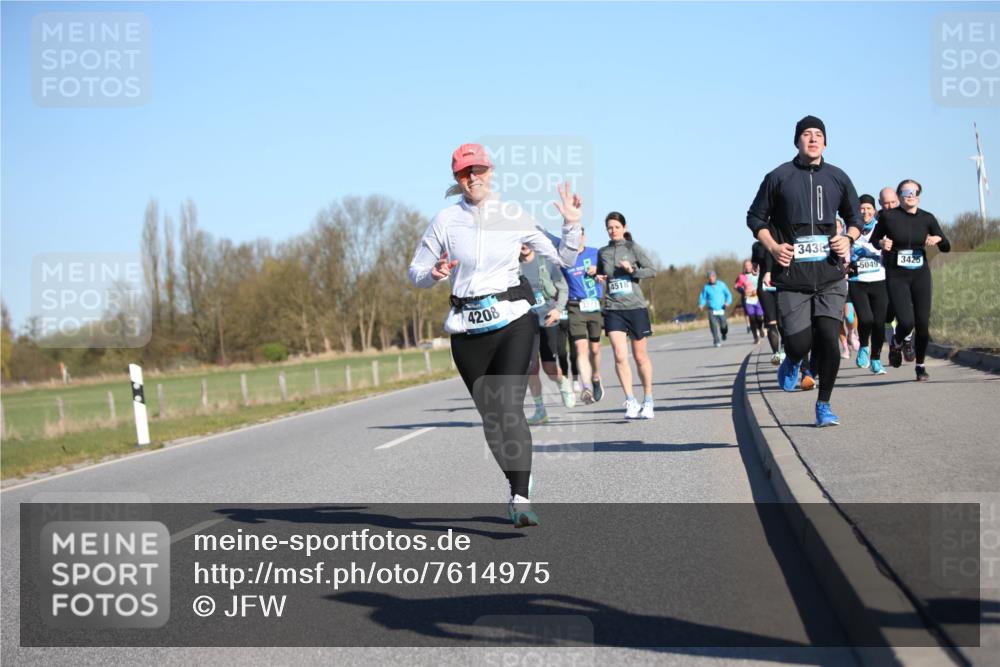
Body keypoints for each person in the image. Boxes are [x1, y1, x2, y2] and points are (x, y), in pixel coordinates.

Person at [408, 143, 582, 527]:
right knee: (491, 419)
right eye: (465, 172)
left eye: (479, 170)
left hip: (512, 320)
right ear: (457, 178)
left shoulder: (513, 215)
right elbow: (415, 273)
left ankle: (521, 498)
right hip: (467, 329)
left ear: (490, 171)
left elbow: (565, 258)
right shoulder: (445, 221)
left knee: (508, 407)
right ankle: (517, 478)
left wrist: (571, 225)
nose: (473, 178)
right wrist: (432, 274)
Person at [746, 115, 863, 427]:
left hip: (830, 275)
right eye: (807, 134)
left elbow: (855, 218)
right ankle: (793, 360)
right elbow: (754, 218)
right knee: (799, 343)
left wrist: (848, 239)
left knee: (829, 339)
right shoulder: (779, 177)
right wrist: (773, 247)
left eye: (818, 135)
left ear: (825, 142)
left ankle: (823, 405)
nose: (813, 139)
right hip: (792, 277)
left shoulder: (838, 177)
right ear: (797, 140)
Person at [870, 179, 951, 381]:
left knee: (922, 324)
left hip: (920, 274)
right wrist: (881, 243)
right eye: (906, 192)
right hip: (897, 275)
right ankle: (897, 342)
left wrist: (938, 239)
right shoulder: (888, 217)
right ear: (899, 197)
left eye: (915, 192)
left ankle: (920, 366)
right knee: (906, 321)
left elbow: (946, 246)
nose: (911, 195)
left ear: (919, 196)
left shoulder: (927, 218)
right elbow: (874, 240)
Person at [589, 212, 657, 419]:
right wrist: (598, 277)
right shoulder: (603, 252)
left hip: (635, 307)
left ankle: (648, 400)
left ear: (624, 228)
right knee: (619, 355)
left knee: (640, 356)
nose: (613, 230)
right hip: (613, 308)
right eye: (610, 228)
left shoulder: (633, 248)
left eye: (617, 227)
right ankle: (630, 400)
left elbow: (651, 270)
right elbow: (603, 274)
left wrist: (633, 270)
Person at [519, 244, 575, 425]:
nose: (523, 246)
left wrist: (558, 309)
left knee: (549, 368)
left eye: (526, 241)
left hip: (547, 320)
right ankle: (540, 411)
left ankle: (563, 382)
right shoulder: (512, 266)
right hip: (525, 323)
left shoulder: (546, 262)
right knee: (531, 368)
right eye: (520, 242)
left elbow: (563, 288)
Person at [556, 228, 606, 404]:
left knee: (595, 349)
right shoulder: (564, 260)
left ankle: (596, 378)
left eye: (579, 236)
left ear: (584, 236)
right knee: (580, 348)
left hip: (594, 304)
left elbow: (607, 273)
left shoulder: (595, 253)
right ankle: (586, 387)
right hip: (575, 306)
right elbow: (559, 283)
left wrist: (599, 272)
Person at [848, 194, 889, 374]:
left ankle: (876, 359)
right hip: (857, 281)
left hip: (880, 280)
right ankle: (864, 346)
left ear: (874, 210)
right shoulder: (851, 228)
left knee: (879, 323)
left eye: (869, 208)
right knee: (866, 319)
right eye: (862, 209)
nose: (865, 212)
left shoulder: (883, 227)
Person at [755, 241, 785, 364]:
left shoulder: (782, 240)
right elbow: (755, 264)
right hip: (765, 286)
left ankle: (783, 350)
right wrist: (755, 267)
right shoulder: (756, 246)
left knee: (783, 322)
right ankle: (776, 354)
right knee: (771, 322)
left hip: (781, 282)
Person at [698, 270, 732, 347]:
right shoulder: (706, 287)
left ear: (715, 277)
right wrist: (701, 305)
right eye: (710, 277)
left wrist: (728, 302)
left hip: (721, 308)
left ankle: (724, 333)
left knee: (723, 325)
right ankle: (716, 340)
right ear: (708, 278)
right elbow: (703, 297)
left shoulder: (722, 285)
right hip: (711, 309)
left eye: (713, 277)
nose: (711, 279)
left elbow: (728, 295)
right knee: (713, 325)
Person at [735, 260, 755, 334]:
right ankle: (748, 325)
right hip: (746, 296)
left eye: (749, 265)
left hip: (756, 295)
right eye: (746, 266)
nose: (747, 267)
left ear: (752, 266)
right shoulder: (741, 275)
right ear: (744, 267)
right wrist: (743, 291)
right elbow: (736, 286)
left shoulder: (756, 273)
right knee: (747, 312)